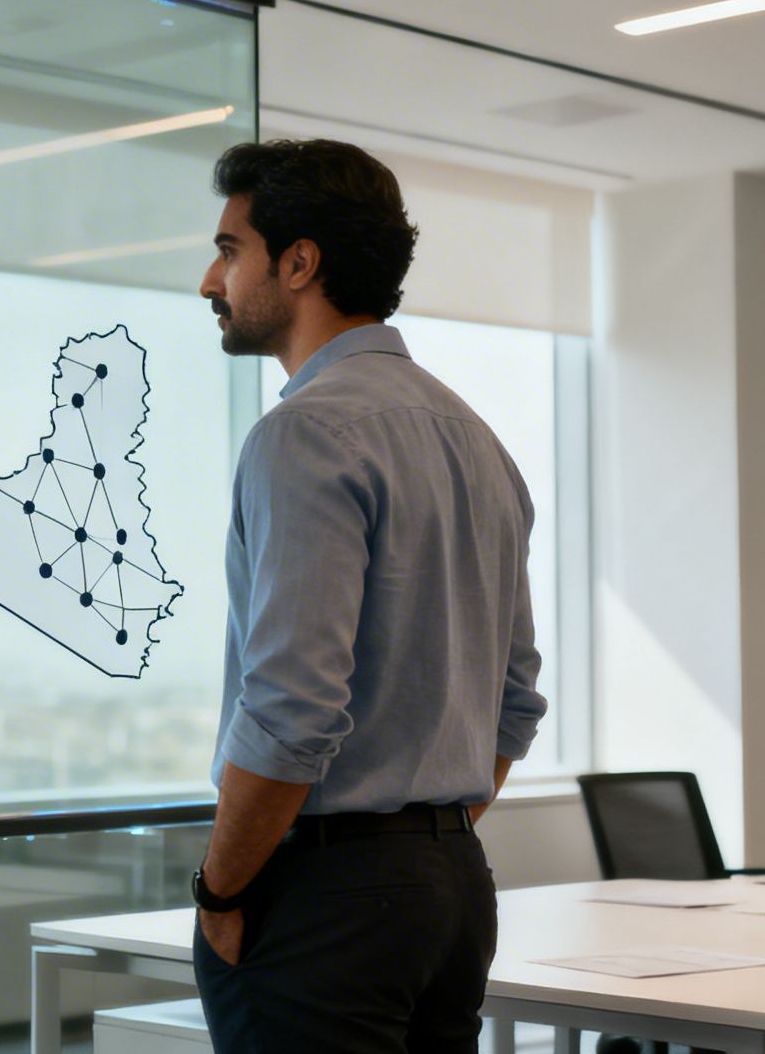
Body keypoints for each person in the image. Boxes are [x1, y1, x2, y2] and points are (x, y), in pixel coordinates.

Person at [189, 138, 547, 1053]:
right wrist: (420, 845)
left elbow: (291, 708)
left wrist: (221, 892)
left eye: (231, 250)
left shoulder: (303, 435)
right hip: (452, 891)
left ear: (299, 262)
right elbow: (514, 704)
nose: (209, 280)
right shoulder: (477, 439)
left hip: (327, 901)